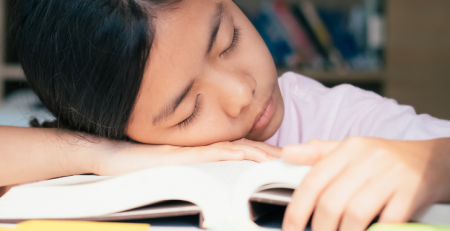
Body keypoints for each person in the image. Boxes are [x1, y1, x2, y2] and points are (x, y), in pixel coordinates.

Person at [1, 0, 450, 230]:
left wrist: (432, 163)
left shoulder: (338, 119)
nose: (241, 93)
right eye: (187, 111)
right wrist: (106, 156)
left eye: (228, 38)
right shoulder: (89, 152)